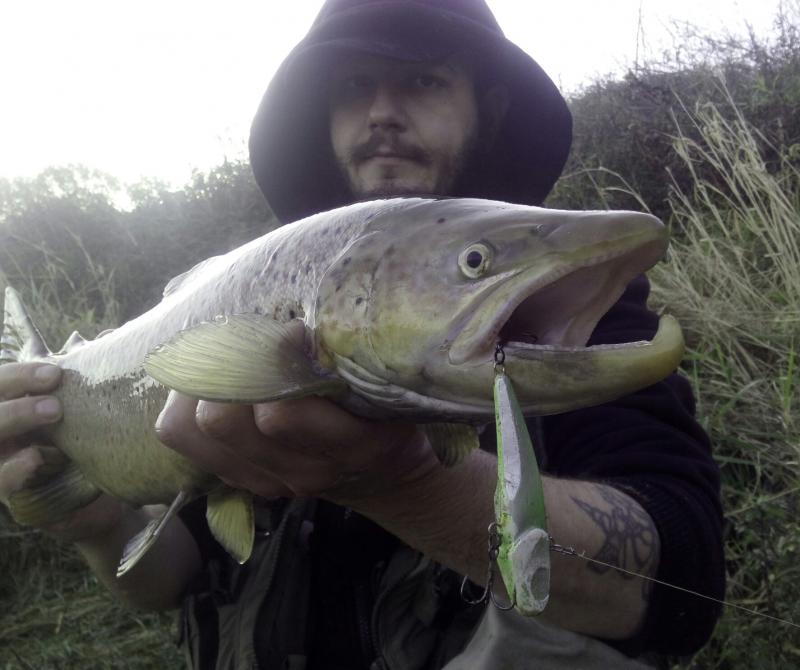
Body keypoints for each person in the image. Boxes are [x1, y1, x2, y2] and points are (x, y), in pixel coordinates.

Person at [0, 1, 724, 668]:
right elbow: (169, 582)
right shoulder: (255, 296)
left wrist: (406, 483)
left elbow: (681, 577)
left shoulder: (568, 317)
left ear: (490, 107)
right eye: (352, 86)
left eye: (424, 80)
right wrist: (95, 523)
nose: (382, 113)